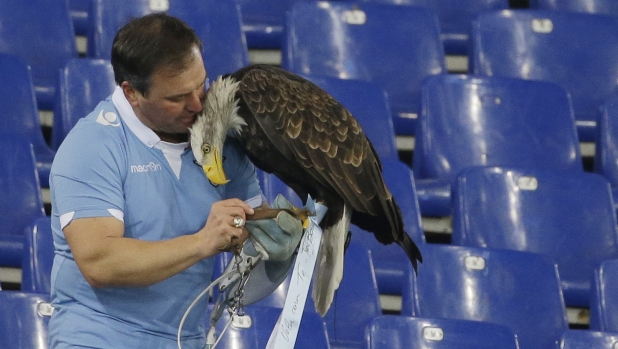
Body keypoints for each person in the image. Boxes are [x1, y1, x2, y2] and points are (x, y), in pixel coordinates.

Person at [48, 13, 264, 348]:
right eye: (177, 97)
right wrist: (203, 241)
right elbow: (99, 262)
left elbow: (252, 223)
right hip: (98, 337)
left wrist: (292, 228)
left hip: (184, 339)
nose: (197, 104)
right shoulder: (91, 145)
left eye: (201, 85)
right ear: (132, 93)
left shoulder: (220, 140)